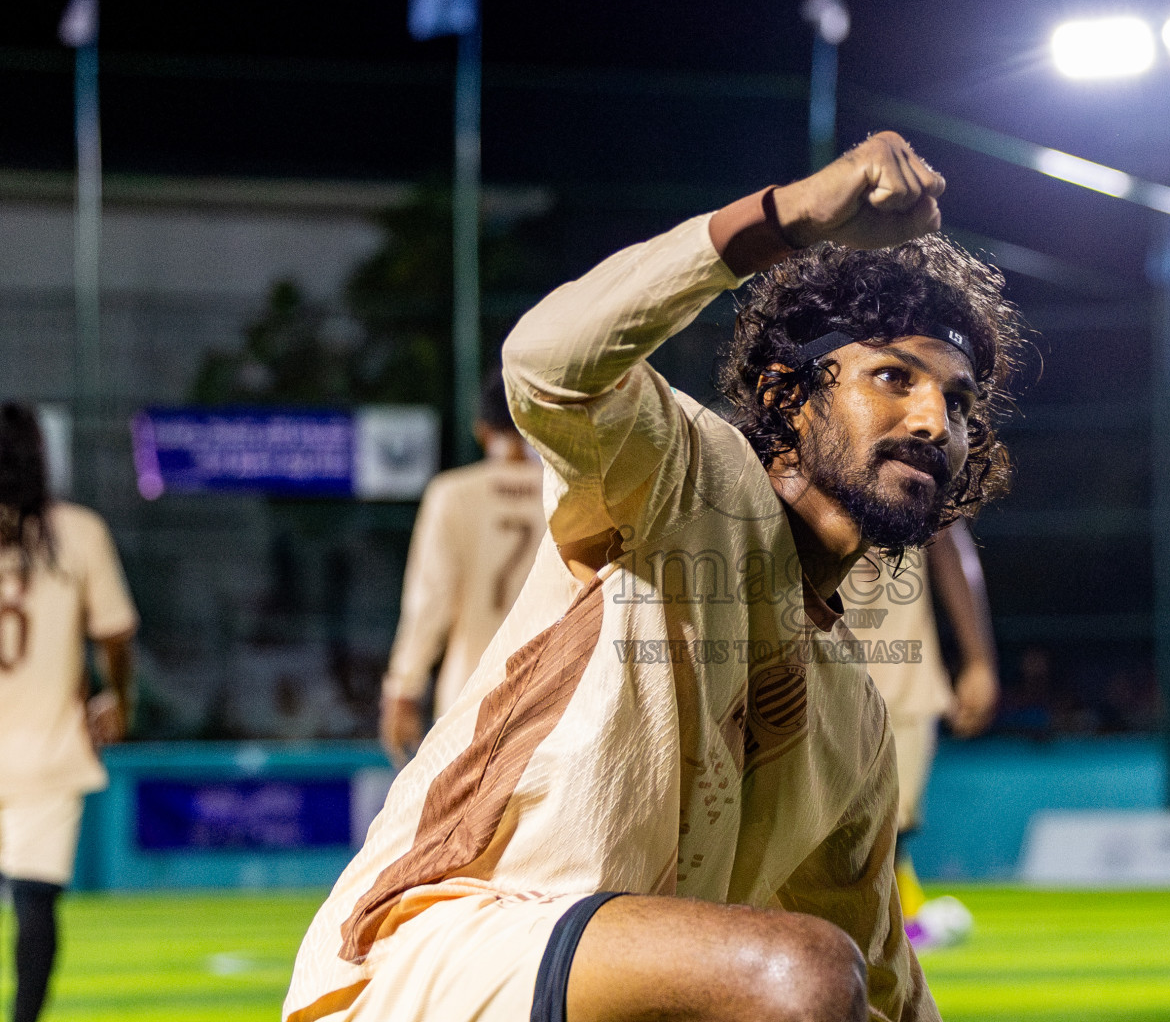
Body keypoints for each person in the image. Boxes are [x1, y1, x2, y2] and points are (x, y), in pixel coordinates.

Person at [285, 131, 1027, 1022]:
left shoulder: (853, 720)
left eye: (958, 402)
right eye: (892, 376)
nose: (932, 418)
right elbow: (547, 365)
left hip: (596, 990)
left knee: (832, 983)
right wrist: (785, 218)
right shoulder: (682, 472)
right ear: (791, 396)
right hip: (433, 961)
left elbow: (888, 987)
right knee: (797, 975)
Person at [0, 403, 137, 1022]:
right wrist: (118, 699)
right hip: (48, 754)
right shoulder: (78, 531)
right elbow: (116, 630)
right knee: (34, 904)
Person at [840, 521, 998, 948]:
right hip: (809, 671)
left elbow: (950, 547)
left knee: (888, 825)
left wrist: (979, 661)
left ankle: (897, 930)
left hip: (901, 678)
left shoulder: (920, 460)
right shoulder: (784, 461)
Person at [378, 373, 546, 765]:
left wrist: (403, 688)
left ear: (482, 430)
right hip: (555, 696)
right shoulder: (569, 494)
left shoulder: (452, 495)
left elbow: (430, 602)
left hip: (470, 698)